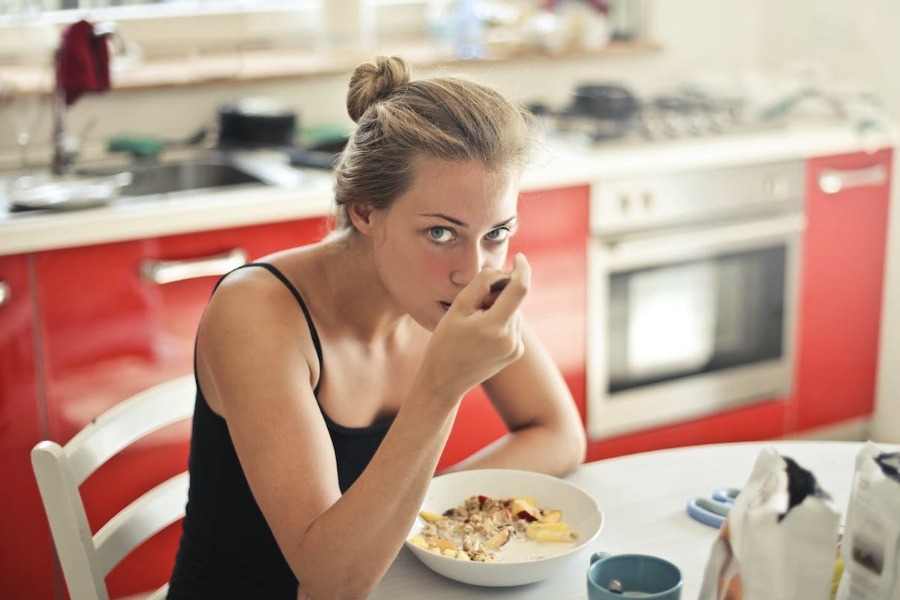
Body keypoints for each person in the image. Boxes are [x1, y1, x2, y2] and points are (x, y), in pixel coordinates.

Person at [167, 55, 586, 600]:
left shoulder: (459, 283)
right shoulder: (258, 314)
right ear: (365, 211)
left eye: (497, 232)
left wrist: (407, 511)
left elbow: (559, 435)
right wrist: (442, 387)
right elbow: (329, 583)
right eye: (440, 233)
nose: (475, 269)